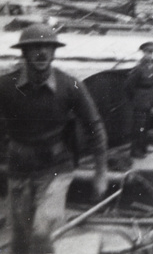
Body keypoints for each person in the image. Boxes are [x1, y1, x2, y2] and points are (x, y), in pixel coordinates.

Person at [0, 24, 108, 254]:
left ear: (54, 52)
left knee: (40, 232)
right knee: (19, 241)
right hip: (18, 171)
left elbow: (95, 127)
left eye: (47, 47)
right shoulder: (5, 86)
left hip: (56, 170)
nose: (41, 53)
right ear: (24, 53)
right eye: (35, 47)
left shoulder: (71, 85)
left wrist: (100, 173)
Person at [124, 41, 153, 159]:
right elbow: (129, 85)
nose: (150, 55)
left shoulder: (151, 66)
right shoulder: (139, 68)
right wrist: (136, 98)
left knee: (146, 125)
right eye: (148, 52)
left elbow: (152, 83)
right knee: (139, 126)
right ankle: (135, 150)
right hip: (140, 100)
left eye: (151, 52)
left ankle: (143, 147)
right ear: (143, 53)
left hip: (147, 100)